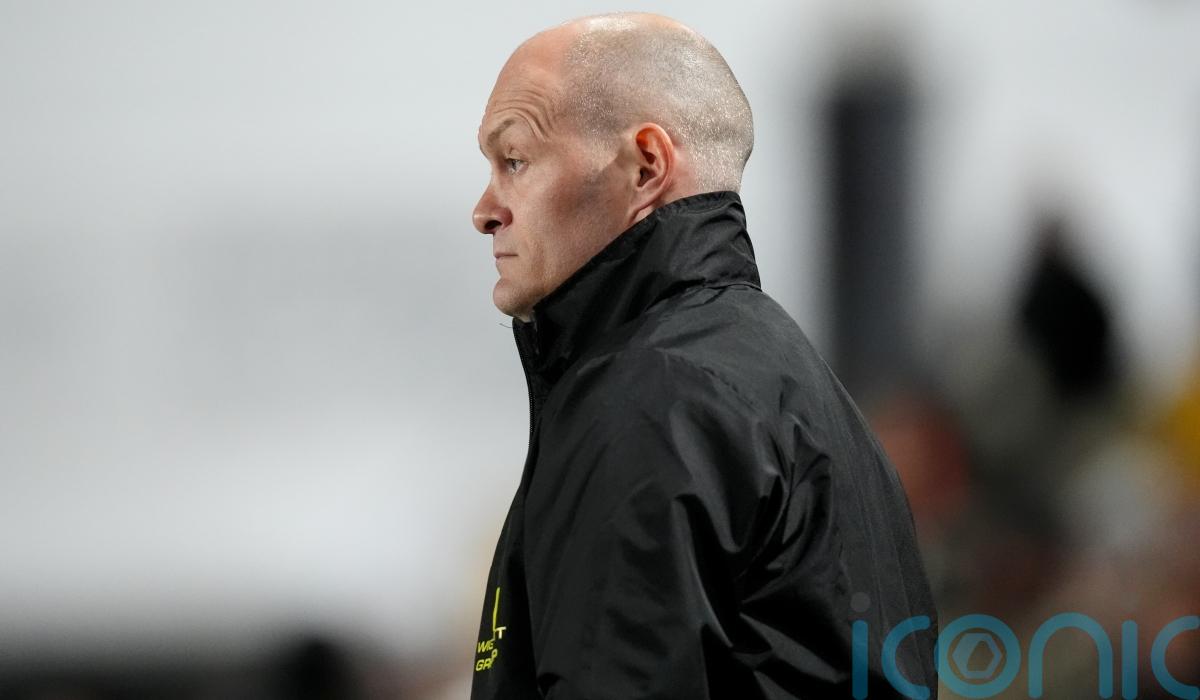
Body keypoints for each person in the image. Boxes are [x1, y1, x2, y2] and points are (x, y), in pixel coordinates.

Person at [469, 12, 937, 699]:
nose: (485, 209)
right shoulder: (790, 385)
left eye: (515, 160)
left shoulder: (652, 402)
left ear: (647, 166)